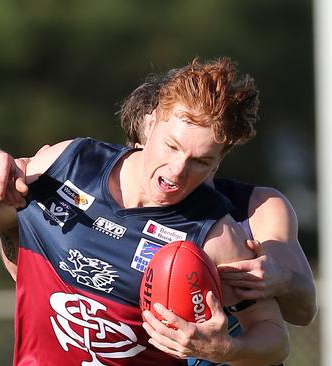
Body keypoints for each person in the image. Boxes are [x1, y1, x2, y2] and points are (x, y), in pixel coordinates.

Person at [0, 58, 289, 366]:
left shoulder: (213, 235)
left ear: (220, 160)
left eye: (201, 162)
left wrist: (225, 348)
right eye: (172, 146)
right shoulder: (70, 164)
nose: (176, 171)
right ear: (150, 123)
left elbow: (275, 340)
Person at [120, 71, 317, 327]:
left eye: (198, 157)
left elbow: (304, 312)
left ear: (218, 153)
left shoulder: (259, 207)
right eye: (168, 147)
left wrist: (280, 280)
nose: (174, 168)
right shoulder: (108, 209)